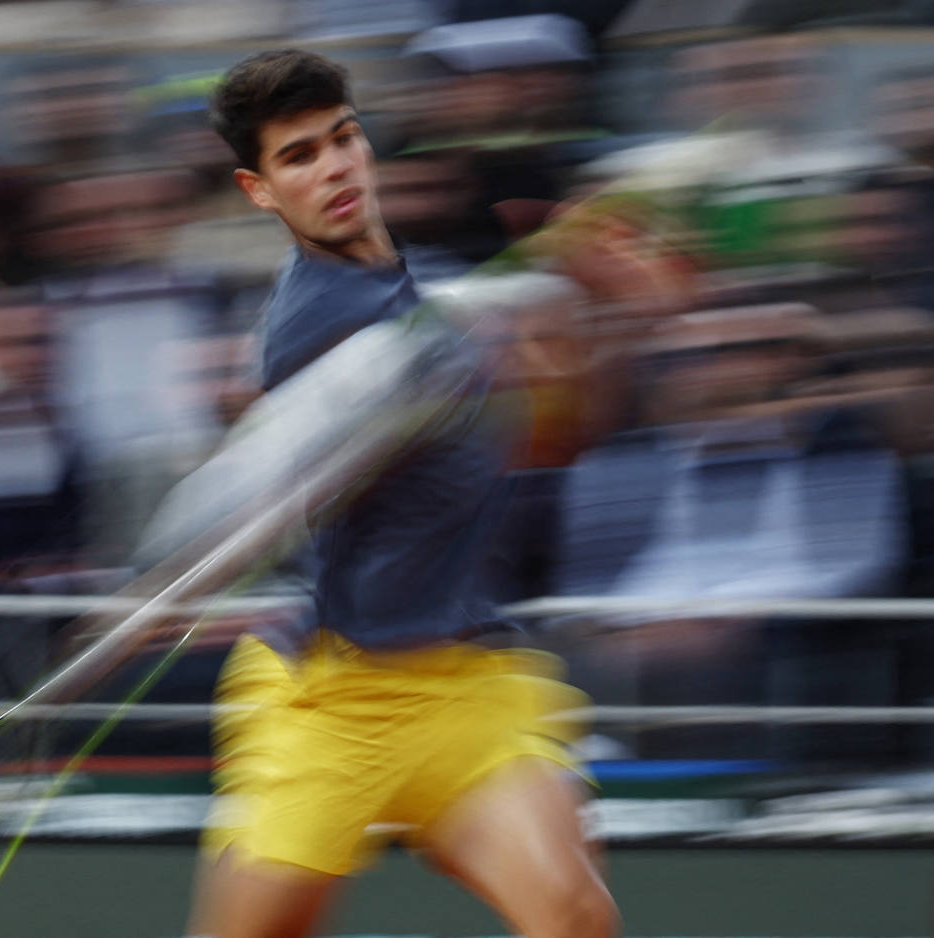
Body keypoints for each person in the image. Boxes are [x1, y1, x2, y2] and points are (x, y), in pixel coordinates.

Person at [185, 49, 620, 938]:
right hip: (331, 700)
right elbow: (417, 372)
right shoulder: (316, 321)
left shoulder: (422, 284)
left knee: (576, 919)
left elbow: (529, 442)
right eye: (299, 156)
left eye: (343, 138)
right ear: (258, 190)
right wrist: (530, 308)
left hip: (467, 682)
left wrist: (573, 345)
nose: (335, 166)